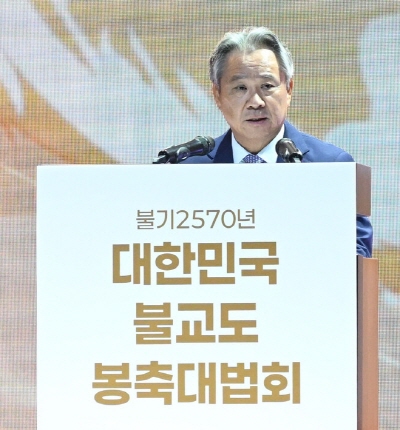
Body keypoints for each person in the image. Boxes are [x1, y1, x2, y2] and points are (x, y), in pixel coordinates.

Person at [183, 26, 372, 257]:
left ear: (289, 89)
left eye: (267, 86)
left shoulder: (330, 166)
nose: (255, 102)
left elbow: (357, 257)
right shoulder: (189, 172)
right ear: (217, 95)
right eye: (240, 88)